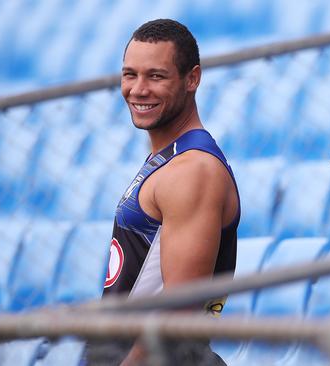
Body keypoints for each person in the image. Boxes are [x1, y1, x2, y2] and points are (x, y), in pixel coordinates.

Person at [93, 18, 240, 365]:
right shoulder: (170, 160)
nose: (138, 89)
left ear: (193, 79)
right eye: (130, 74)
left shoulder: (193, 171)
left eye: (156, 76)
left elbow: (178, 313)